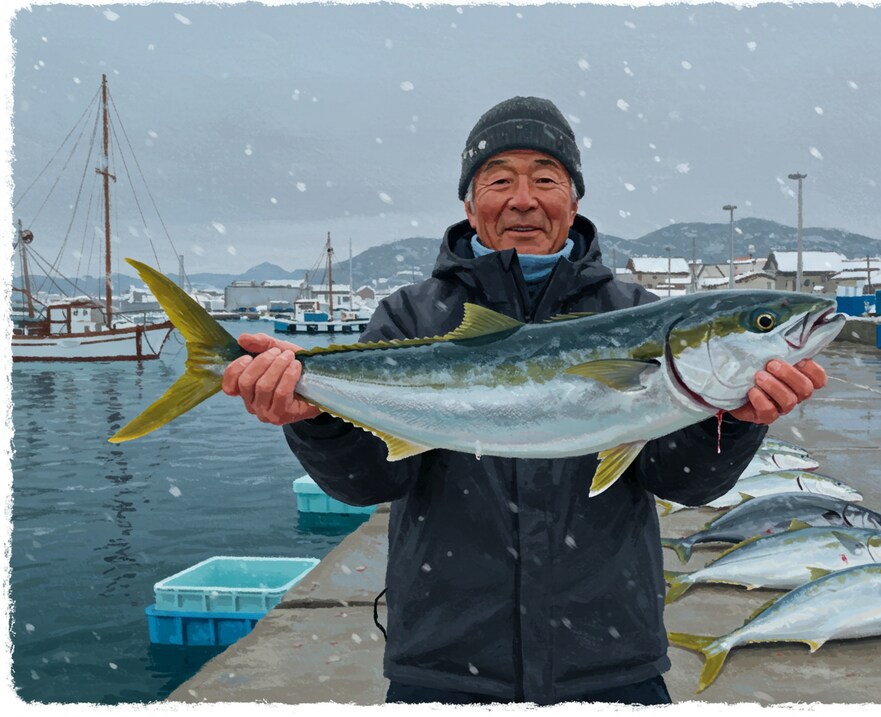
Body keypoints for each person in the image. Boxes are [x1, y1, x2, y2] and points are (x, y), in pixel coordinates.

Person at [222, 97, 828, 705]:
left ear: (574, 200)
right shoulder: (411, 317)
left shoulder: (634, 310)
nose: (523, 199)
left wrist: (737, 421)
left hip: (610, 654)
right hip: (445, 657)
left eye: (545, 179)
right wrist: (313, 419)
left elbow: (683, 483)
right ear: (469, 204)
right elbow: (371, 481)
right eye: (499, 180)